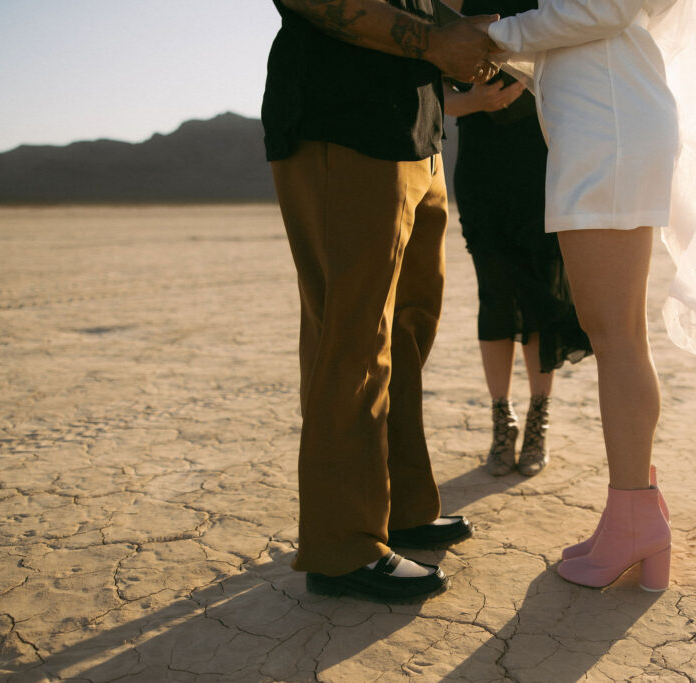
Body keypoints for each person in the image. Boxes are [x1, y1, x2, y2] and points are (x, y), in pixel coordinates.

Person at [485, 0, 696, 590]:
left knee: (616, 334)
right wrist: (505, 47)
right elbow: (586, 32)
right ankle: (634, 512)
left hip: (608, 132)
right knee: (615, 331)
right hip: (602, 123)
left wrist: (497, 35)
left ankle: (634, 518)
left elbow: (606, 7)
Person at [262, 0, 501, 603]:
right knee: (352, 336)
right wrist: (437, 42)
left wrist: (469, 32)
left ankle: (400, 509)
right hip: (341, 121)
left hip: (416, 131)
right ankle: (343, 545)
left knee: (407, 333)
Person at [443, 0, 593, 478]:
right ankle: (502, 419)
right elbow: (424, 92)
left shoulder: (542, 5)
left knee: (540, 297)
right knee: (495, 297)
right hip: (481, 171)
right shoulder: (448, 9)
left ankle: (537, 419)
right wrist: (477, 101)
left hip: (540, 165)